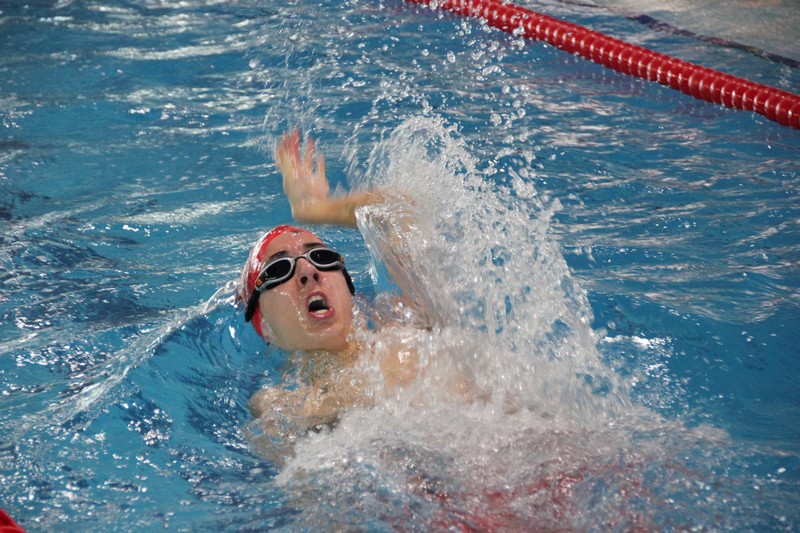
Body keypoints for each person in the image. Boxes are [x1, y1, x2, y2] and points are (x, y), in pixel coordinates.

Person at [240, 131, 461, 438]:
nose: (308, 270)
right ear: (264, 326)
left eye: (321, 256)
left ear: (348, 291)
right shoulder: (282, 405)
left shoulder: (406, 324)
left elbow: (400, 212)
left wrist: (316, 208)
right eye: (279, 268)